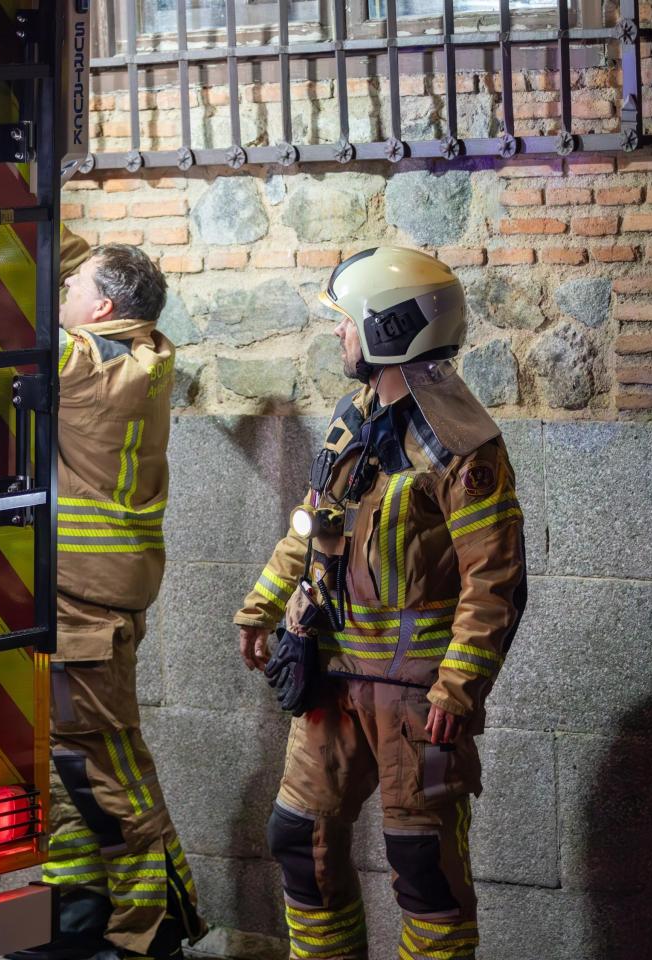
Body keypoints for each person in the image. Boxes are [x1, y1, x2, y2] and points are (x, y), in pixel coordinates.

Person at [234, 246, 527, 960]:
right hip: (331, 676)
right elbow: (314, 524)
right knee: (298, 840)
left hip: (412, 698)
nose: (338, 334)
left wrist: (457, 691)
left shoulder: (463, 447)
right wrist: (261, 607)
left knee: (422, 866)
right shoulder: (356, 416)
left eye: (347, 321)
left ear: (389, 329)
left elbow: (495, 583)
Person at [16, 237, 205, 960]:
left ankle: (150, 931)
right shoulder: (143, 353)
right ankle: (75, 916)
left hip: (85, 611)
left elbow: (14, 321)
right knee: (68, 769)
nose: (60, 297)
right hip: (83, 603)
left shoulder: (87, 367)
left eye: (74, 289)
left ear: (101, 307)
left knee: (112, 773)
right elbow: (77, 270)